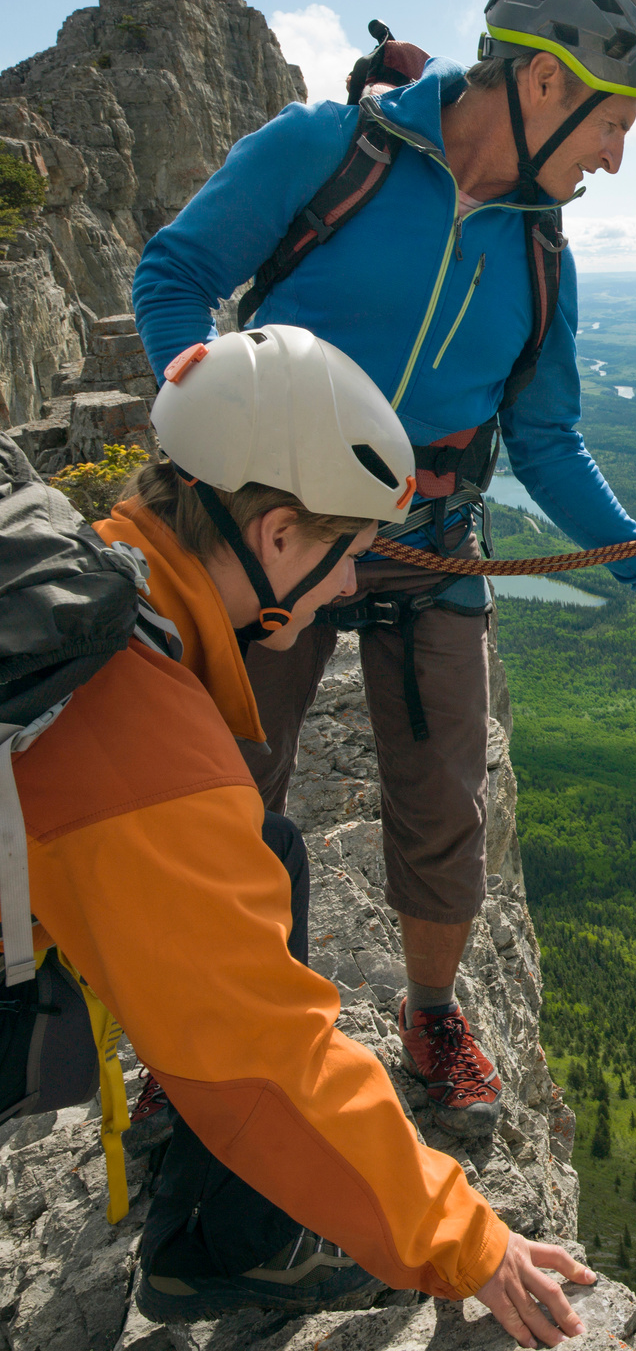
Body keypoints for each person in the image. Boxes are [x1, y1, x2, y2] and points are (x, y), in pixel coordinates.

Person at [131, 0, 636, 1137]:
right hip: (273, 535)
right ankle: (194, 1027)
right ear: (544, 89)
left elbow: (546, 440)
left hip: (433, 540)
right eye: (612, 123)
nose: (614, 156)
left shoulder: (541, 255)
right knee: (231, 778)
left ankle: (433, 1013)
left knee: (443, 794)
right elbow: (179, 275)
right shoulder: (328, 153)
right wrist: (210, 437)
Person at [10, 324, 593, 1339]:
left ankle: (218, 1228)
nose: (347, 589)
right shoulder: (139, 739)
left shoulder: (77, 579)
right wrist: (469, 1239)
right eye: (346, 554)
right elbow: (266, 1055)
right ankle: (239, 1250)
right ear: (278, 535)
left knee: (267, 849)